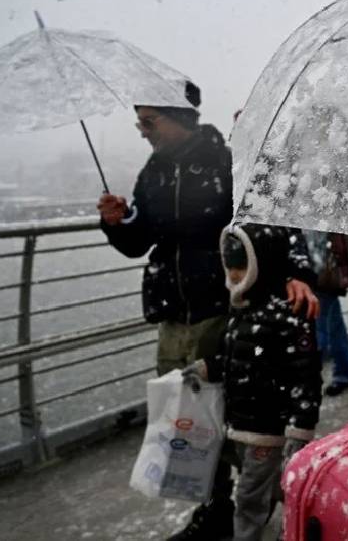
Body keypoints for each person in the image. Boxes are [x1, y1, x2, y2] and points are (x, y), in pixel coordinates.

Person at [96, 81, 240, 539]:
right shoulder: (154, 171)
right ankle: (216, 507)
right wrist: (118, 222)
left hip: (218, 307)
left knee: (225, 412)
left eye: (149, 121)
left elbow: (249, 227)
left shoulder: (223, 159)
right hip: (172, 312)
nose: (142, 131)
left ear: (178, 117)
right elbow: (141, 241)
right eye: (139, 121)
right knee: (185, 417)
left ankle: (253, 493)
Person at [183, 224, 320, 541]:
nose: (233, 274)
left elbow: (306, 379)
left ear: (263, 265)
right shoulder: (242, 310)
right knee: (273, 484)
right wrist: (205, 368)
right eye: (230, 266)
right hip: (244, 424)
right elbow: (235, 358)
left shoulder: (286, 317)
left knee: (248, 498)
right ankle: (311, 518)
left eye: (241, 266)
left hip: (267, 430)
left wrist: (300, 431)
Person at [303, 230, 348, 396]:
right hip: (328, 277)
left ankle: (308, 385)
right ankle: (345, 372)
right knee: (334, 328)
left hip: (319, 277)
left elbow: (314, 247)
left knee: (318, 333)